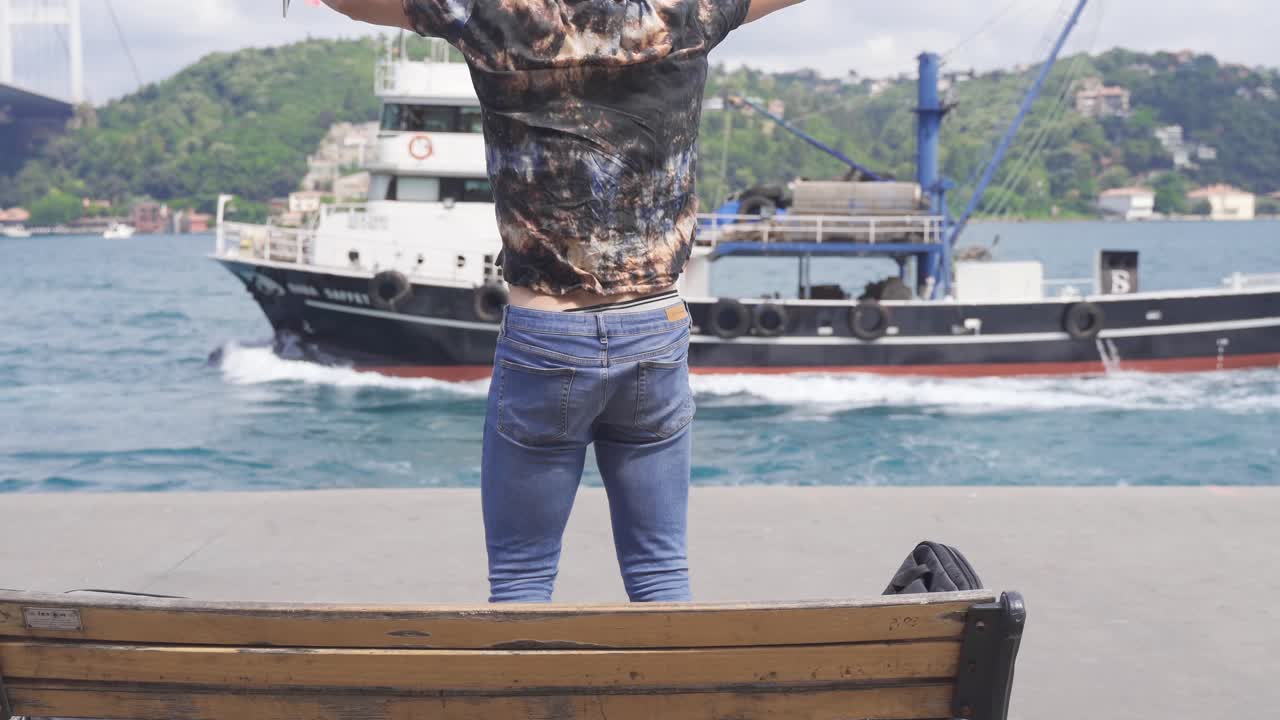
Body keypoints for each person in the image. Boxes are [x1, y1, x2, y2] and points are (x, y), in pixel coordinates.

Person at [321, 0, 808, 603]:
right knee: (661, 574)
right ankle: (672, 697)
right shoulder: (683, 10)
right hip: (653, 327)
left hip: (545, 334)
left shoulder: (490, 12)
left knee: (522, 579)